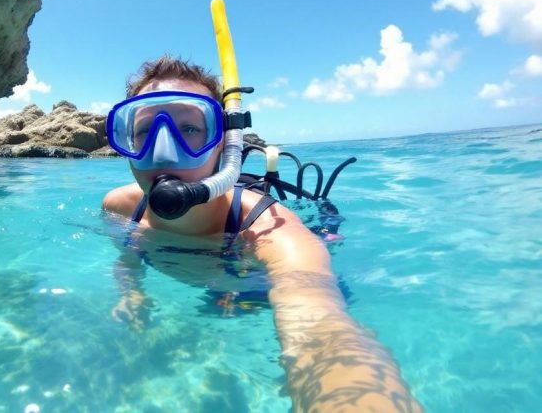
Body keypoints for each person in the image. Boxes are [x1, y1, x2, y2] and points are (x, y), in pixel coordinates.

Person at [103, 55, 422, 413]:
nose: (163, 150)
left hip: (253, 283)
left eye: (190, 129)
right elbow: (128, 255)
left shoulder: (272, 230)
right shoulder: (119, 207)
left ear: (223, 144)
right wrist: (131, 294)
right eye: (145, 131)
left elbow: (321, 330)